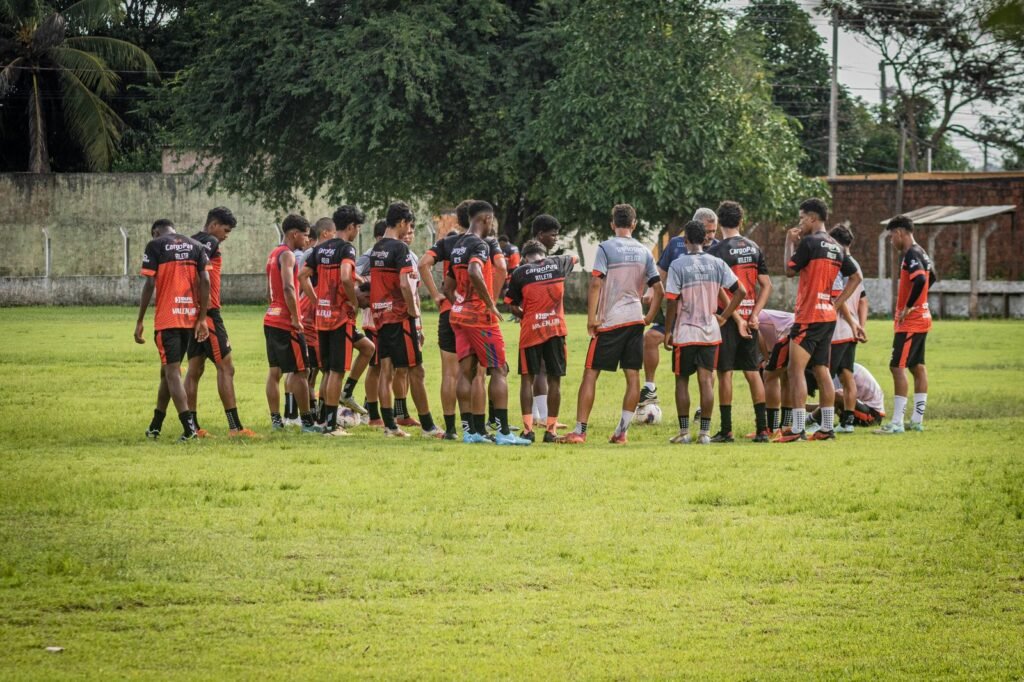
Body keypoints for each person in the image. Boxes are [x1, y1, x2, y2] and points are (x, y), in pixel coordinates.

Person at [559, 204, 663, 445]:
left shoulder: (606, 248)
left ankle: (580, 431)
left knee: (590, 373)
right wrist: (649, 317)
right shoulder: (644, 251)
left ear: (612, 224)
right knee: (633, 375)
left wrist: (592, 318)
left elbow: (596, 283)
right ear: (634, 224)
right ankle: (621, 432)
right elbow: (659, 289)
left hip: (611, 321)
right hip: (635, 319)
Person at [445, 200, 530, 445]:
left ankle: (470, 432)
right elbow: (474, 271)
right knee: (499, 369)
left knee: (466, 371)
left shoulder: (458, 245)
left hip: (459, 315)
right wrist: (489, 303)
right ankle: (503, 433)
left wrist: (461, 302)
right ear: (486, 219)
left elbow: (448, 286)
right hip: (479, 317)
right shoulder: (480, 245)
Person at [778, 198, 863, 442]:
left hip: (808, 315)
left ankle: (797, 428)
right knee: (822, 370)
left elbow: (789, 270)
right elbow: (856, 277)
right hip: (827, 316)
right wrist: (835, 304)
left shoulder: (810, 242)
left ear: (813, 218)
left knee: (795, 371)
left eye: (802, 218)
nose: (800, 223)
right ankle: (826, 428)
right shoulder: (837, 246)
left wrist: (789, 242)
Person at [663, 220, 746, 444]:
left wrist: (668, 331)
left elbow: (671, 301)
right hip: (710, 331)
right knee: (706, 380)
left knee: (681, 380)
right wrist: (724, 316)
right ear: (704, 239)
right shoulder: (716, 263)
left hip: (686, 331)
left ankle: (684, 433)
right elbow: (741, 291)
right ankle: (705, 433)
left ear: (686, 240)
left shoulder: (678, 265)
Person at [180, 207, 258, 439]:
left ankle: (193, 428)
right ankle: (235, 428)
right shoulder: (209, 242)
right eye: (225, 230)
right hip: (208, 314)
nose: (225, 236)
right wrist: (204, 316)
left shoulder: (189, 241)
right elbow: (199, 275)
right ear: (213, 225)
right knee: (226, 368)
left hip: (193, 313)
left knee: (194, 369)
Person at [300, 206, 376, 436]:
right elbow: (344, 276)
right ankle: (332, 426)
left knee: (327, 371)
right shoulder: (346, 249)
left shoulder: (320, 248)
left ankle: (324, 420)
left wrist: (316, 301)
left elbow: (303, 276)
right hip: (339, 318)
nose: (357, 232)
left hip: (322, 317)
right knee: (336, 372)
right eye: (357, 227)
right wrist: (352, 301)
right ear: (351, 227)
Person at [369, 201, 443, 438]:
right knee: (416, 370)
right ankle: (429, 426)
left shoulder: (376, 248)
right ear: (401, 223)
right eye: (409, 225)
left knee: (386, 370)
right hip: (400, 316)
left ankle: (390, 426)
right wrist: (413, 311)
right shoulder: (400, 248)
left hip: (380, 316)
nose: (409, 229)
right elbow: (404, 283)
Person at [135, 218, 211, 442]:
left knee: (172, 373)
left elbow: (150, 284)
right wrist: (202, 318)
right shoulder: (196, 246)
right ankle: (155, 425)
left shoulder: (155, 245)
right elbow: (206, 281)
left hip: (167, 320)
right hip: (189, 318)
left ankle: (189, 429)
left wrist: (140, 320)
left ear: (155, 232)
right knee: (167, 372)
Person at [706, 201, 773, 442]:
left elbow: (719, 289)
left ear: (720, 223)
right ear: (741, 221)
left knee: (725, 373)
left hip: (727, 319)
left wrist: (733, 317)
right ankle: (763, 429)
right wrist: (754, 314)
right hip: (750, 319)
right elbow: (766, 285)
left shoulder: (716, 251)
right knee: (752, 372)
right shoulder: (754, 248)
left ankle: (726, 430)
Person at [639, 207, 719, 409]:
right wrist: (650, 291)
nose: (711, 236)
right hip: (675, 314)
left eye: (714, 231)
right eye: (707, 231)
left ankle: (702, 409)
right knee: (650, 338)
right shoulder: (676, 244)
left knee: (707, 367)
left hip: (704, 317)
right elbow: (660, 272)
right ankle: (649, 388)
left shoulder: (718, 249)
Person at [504, 239, 576, 442]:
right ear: (544, 253)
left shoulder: (520, 272)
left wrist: (525, 315)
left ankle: (528, 430)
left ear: (524, 257)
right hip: (556, 329)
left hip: (531, 331)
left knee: (527, 379)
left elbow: (510, 304)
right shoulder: (559, 262)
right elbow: (575, 258)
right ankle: (551, 430)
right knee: (555, 380)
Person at [876, 214, 935, 434]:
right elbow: (932, 277)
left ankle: (897, 423)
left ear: (900, 233)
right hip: (922, 318)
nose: (892, 241)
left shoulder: (911, 253)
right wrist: (921, 301)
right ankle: (916, 421)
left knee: (897, 366)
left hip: (911, 322)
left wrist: (910, 305)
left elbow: (921, 279)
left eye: (892, 236)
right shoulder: (922, 252)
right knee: (916, 366)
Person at [264, 214, 319, 433]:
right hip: (286, 322)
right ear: (294, 234)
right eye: (305, 235)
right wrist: (296, 317)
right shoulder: (287, 255)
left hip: (271, 317)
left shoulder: (273, 253)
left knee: (275, 372)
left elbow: (269, 289)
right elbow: (288, 287)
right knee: (301, 371)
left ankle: (276, 421)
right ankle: (307, 423)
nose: (307, 240)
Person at [811, 224, 868, 434]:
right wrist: (860, 325)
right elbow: (863, 299)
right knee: (847, 375)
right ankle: (847, 422)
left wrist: (849, 320)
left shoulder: (836, 262)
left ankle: (822, 422)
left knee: (824, 376)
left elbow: (837, 295)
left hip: (837, 329)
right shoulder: (856, 265)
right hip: (851, 331)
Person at [356, 219, 388, 426]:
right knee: (376, 367)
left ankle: (372, 408)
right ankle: (373, 415)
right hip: (372, 320)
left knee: (386, 367)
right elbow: (353, 276)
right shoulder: (369, 256)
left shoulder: (394, 253)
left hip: (388, 319)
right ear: (378, 237)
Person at [756, 308, 796, 436]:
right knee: (786, 377)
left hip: (789, 332)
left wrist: (766, 358)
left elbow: (758, 334)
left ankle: (773, 429)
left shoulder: (749, 315)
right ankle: (785, 426)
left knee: (770, 375)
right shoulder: (756, 312)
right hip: (796, 329)